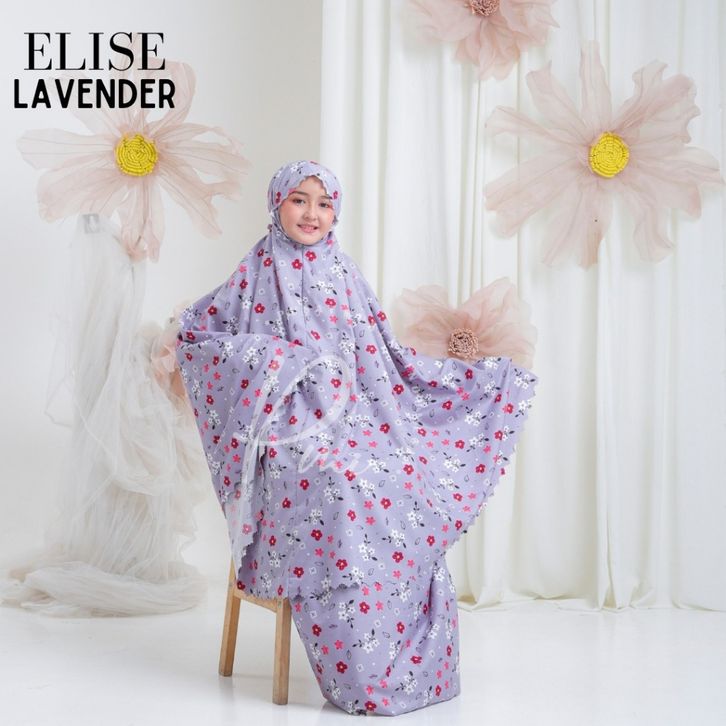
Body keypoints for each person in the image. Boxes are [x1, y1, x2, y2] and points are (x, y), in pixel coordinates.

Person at [175, 159, 538, 715]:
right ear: (277, 204)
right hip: (286, 435)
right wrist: (274, 358)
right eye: (299, 200)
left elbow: (384, 352)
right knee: (340, 485)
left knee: (399, 476)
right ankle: (357, 671)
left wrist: (457, 380)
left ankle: (406, 658)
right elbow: (197, 336)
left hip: (359, 420)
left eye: (324, 204)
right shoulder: (256, 269)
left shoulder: (343, 271)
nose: (311, 214)